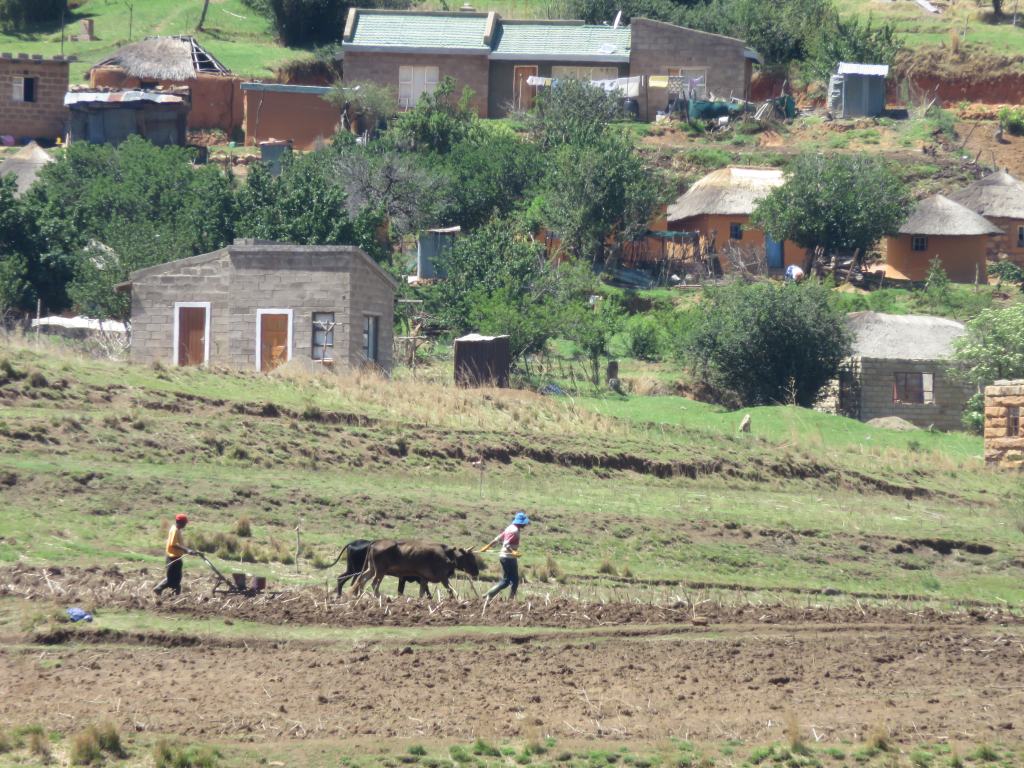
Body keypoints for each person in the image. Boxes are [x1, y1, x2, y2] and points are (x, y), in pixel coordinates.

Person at [480, 511, 530, 602]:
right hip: (509, 558)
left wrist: (487, 546)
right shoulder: (514, 530)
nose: (525, 525)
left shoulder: (509, 528)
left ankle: (488, 595)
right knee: (514, 581)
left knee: (507, 581)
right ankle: (509, 600)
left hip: (505, 557)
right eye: (524, 523)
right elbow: (506, 544)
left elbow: (498, 538)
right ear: (521, 523)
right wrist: (513, 552)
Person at [154, 514, 198, 596]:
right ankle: (159, 589)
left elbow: (178, 545)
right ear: (180, 522)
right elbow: (173, 544)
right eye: (185, 523)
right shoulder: (175, 530)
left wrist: (188, 551)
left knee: (176, 580)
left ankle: (171, 595)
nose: (185, 525)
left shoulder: (176, 529)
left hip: (176, 557)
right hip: (173, 558)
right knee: (174, 580)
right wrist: (187, 550)